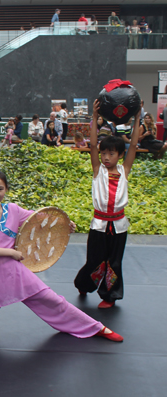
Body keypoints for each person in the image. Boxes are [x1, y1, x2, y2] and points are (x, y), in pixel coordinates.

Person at [0, 169, 123, 342]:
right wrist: (12, 253)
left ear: (6, 189)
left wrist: (64, 224)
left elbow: (39, 219)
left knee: (52, 300)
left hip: (15, 271)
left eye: (0, 189)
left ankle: (96, 327)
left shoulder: (13, 209)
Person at [74, 100, 140, 309]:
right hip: (99, 225)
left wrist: (137, 118)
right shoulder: (98, 170)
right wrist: (94, 117)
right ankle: (84, 284)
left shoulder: (124, 171)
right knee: (94, 259)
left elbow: (134, 144)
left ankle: (109, 296)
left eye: (111, 154)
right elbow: (92, 144)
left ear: (120, 155)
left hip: (118, 226)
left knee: (114, 262)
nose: (106, 157)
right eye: (104, 153)